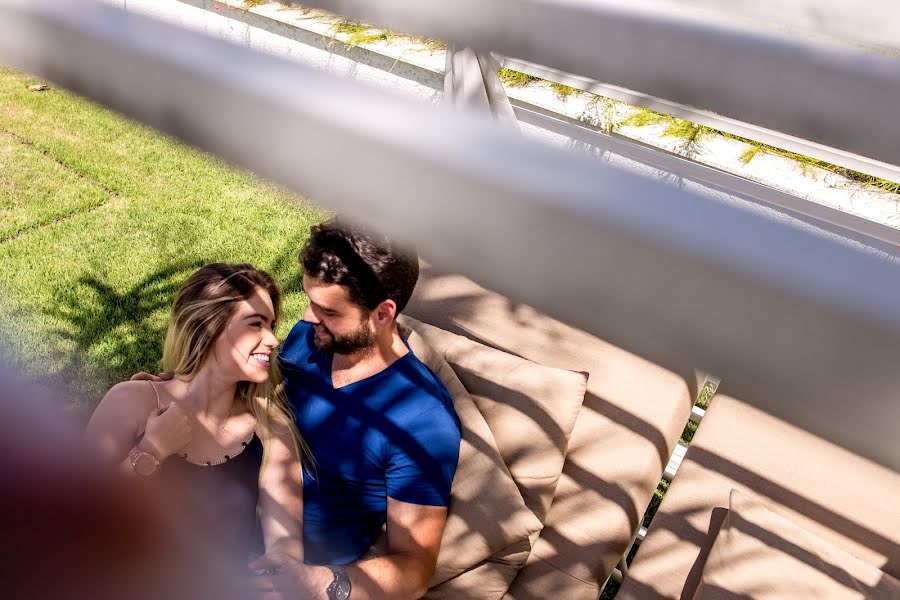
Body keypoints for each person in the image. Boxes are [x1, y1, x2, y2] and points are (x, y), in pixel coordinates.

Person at [252, 219, 462, 600]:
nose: (308, 317)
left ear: (383, 314)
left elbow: (414, 569)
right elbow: (259, 392)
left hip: (273, 567)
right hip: (219, 496)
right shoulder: (313, 336)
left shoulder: (421, 422)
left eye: (329, 312)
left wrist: (320, 583)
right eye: (310, 300)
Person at [86, 263, 308, 567]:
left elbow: (285, 554)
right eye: (256, 324)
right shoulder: (131, 402)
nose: (273, 339)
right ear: (209, 326)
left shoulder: (271, 429)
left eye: (271, 325)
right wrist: (151, 450)